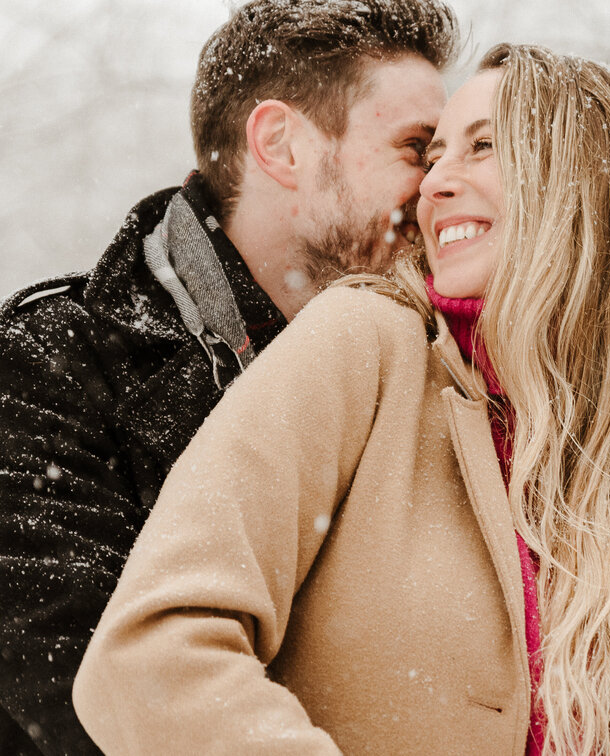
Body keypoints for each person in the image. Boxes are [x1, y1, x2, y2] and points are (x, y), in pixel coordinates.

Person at [72, 44, 610, 755]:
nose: (434, 183)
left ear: (590, 182)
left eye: (483, 147)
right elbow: (152, 651)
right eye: (433, 154)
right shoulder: (361, 349)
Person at [0, 2, 458, 753]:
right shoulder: (41, 370)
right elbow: (99, 706)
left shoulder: (448, 377)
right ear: (281, 145)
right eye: (416, 149)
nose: (436, 188)